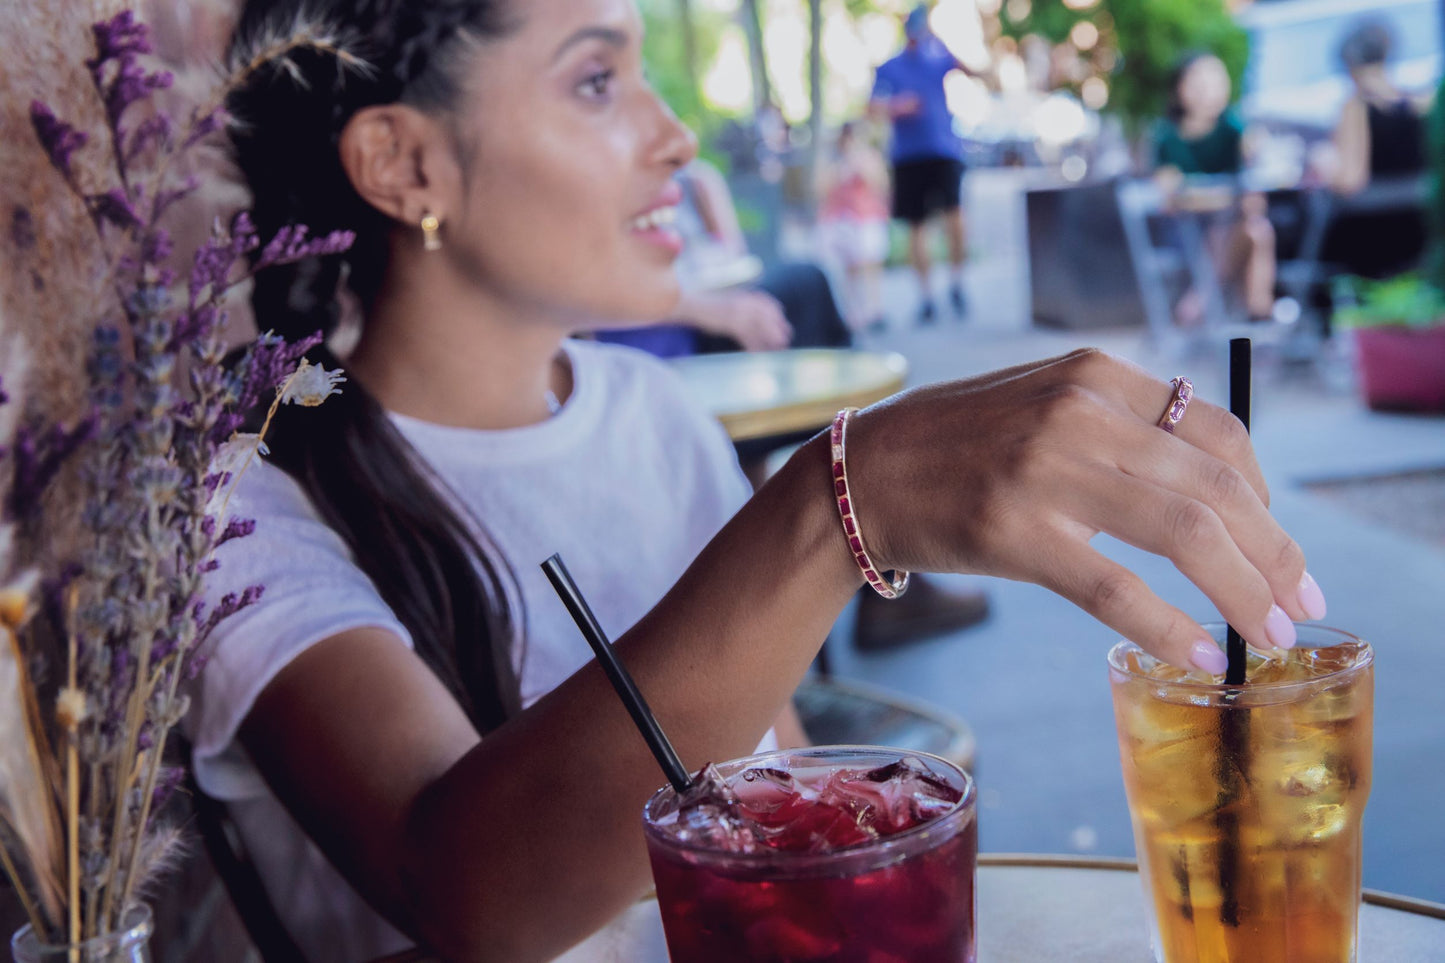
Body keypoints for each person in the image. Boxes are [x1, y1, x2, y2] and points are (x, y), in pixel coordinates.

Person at [191, 0, 1325, 960]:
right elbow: (461, 889)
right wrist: (841, 498)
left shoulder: (647, 414)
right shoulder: (239, 503)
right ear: (403, 162)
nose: (679, 139)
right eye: (596, 83)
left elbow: (773, 790)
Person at [869, 4, 978, 324]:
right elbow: (871, 106)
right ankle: (926, 296)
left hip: (944, 151)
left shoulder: (937, 57)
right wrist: (896, 107)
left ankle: (957, 283)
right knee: (917, 226)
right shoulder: (889, 67)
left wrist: (940, 38)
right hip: (907, 156)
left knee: (955, 218)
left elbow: (971, 70)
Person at [1152, 52, 1277, 324]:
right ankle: (1258, 316)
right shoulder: (1167, 137)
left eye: (1215, 81)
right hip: (1187, 234)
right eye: (1198, 82)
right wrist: (1223, 200)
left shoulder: (1235, 130)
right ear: (1179, 89)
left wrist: (1255, 154)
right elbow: (1170, 197)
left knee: (1255, 229)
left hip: (1231, 227)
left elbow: (1255, 186)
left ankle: (1205, 294)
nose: (1208, 90)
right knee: (1252, 229)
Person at [1317, 18, 1428, 279]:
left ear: (1350, 66)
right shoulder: (1421, 103)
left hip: (1371, 235)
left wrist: (1325, 165)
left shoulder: (1356, 108)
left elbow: (1351, 180)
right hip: (1422, 228)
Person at [817, 120, 892, 333]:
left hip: (865, 218)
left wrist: (859, 163)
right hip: (841, 220)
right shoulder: (833, 161)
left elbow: (879, 184)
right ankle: (854, 311)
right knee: (849, 268)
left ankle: (875, 309)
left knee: (870, 264)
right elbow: (821, 190)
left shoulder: (869, 157)